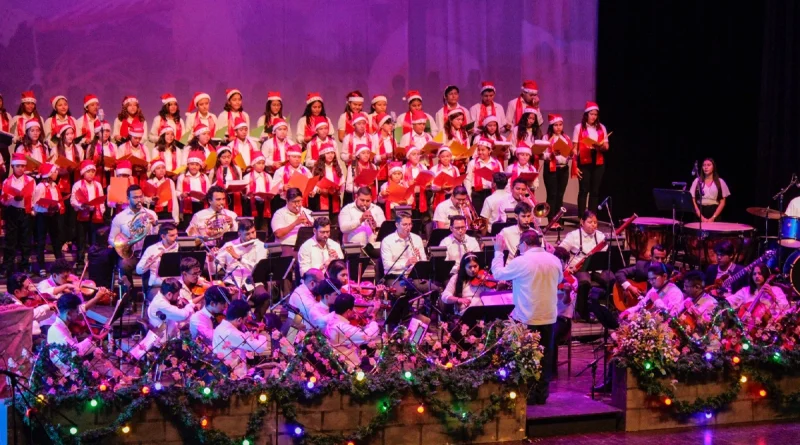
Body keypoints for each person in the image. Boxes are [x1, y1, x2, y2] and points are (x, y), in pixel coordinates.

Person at [492, 230, 562, 404]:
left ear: (524, 244)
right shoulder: (554, 260)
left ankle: (528, 394)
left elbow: (498, 274)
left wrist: (498, 252)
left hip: (527, 317)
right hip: (549, 316)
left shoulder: (522, 261)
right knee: (545, 357)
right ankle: (542, 395)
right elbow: (559, 280)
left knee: (526, 356)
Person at [558, 210, 614, 322]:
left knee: (611, 279)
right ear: (582, 222)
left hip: (597, 268)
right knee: (584, 282)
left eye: (595, 222)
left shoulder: (600, 236)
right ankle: (583, 312)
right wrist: (567, 267)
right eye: (590, 222)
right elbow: (560, 252)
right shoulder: (573, 236)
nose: (593, 225)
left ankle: (604, 308)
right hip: (580, 268)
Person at [215, 220, 270, 317]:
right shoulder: (229, 246)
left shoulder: (261, 246)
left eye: (253, 232)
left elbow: (258, 268)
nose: (252, 236)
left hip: (253, 282)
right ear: (239, 234)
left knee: (265, 298)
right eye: (248, 234)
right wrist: (211, 260)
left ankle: (256, 321)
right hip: (233, 283)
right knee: (235, 301)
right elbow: (214, 269)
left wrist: (239, 258)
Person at [212, 299, 271, 379]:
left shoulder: (219, 327)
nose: (245, 322)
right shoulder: (232, 333)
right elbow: (260, 347)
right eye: (245, 319)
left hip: (223, 373)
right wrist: (261, 333)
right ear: (239, 319)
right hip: (234, 377)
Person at [108, 184, 158, 279]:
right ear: (128, 199)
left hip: (148, 253)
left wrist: (155, 225)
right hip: (131, 255)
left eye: (140, 196)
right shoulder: (120, 217)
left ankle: (148, 287)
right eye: (135, 197)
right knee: (124, 264)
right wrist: (123, 244)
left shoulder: (151, 214)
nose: (139, 200)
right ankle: (127, 288)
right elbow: (111, 239)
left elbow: (157, 237)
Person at [323, 293, 380, 370]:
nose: (355, 311)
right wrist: (373, 319)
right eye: (353, 308)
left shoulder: (332, 319)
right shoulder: (342, 327)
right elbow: (369, 335)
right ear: (348, 311)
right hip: (351, 367)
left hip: (347, 362)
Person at [573, 101, 610, 218]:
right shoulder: (579, 127)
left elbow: (607, 146)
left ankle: (592, 217)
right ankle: (582, 217)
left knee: (595, 191)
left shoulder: (601, 127)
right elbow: (575, 149)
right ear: (586, 114)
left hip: (598, 161)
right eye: (591, 114)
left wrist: (601, 146)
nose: (594, 117)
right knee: (584, 190)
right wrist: (575, 166)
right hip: (584, 160)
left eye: (595, 114)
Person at [1, 154, 34, 275]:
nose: (20, 168)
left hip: (25, 212)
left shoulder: (30, 180)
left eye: (23, 166)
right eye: (18, 166)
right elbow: (3, 200)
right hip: (12, 212)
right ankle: (7, 266)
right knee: (11, 240)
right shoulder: (7, 181)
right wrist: (13, 198)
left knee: (25, 240)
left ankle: (24, 265)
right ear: (13, 167)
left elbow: (34, 197)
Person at [70, 160, 105, 267]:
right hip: (82, 214)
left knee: (94, 239)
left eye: (93, 171)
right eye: (88, 171)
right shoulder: (77, 185)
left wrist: (101, 211)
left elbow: (101, 200)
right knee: (81, 239)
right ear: (83, 173)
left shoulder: (98, 185)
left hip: (95, 214)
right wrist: (81, 206)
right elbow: (73, 200)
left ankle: (93, 261)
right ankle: (80, 261)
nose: (91, 174)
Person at [620, 264, 685, 318]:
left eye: (654, 278)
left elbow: (672, 316)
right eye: (650, 280)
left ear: (664, 276)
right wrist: (628, 311)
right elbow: (642, 304)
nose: (651, 282)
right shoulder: (654, 288)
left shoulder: (676, 293)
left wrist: (657, 300)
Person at [552, 247, 578, 377]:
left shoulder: (572, 280)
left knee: (550, 334)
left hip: (562, 319)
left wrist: (567, 292)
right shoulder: (548, 278)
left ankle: (550, 372)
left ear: (565, 262)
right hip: (546, 316)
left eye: (561, 261)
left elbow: (567, 302)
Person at [136, 222, 179, 299]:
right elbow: (138, 271)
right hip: (157, 286)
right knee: (161, 300)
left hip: (177, 285)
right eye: (172, 235)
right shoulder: (152, 249)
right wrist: (148, 263)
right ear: (163, 236)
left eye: (176, 234)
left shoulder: (179, 248)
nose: (176, 237)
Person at [542, 114, 573, 223]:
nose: (558, 127)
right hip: (551, 169)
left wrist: (571, 154)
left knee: (560, 195)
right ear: (551, 126)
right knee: (552, 194)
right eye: (556, 125)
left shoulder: (566, 138)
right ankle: (551, 220)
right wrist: (551, 154)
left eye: (560, 125)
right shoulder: (546, 138)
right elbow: (542, 155)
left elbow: (570, 152)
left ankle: (558, 219)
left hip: (563, 168)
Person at [338, 186, 385, 255]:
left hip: (373, 248)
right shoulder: (347, 209)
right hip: (353, 248)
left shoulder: (377, 209)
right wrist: (360, 220)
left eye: (368, 201)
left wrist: (376, 224)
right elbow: (343, 228)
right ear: (356, 197)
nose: (365, 203)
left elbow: (383, 228)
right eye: (362, 200)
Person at [380, 211, 427, 278]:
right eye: (405, 224)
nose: (408, 228)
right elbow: (387, 265)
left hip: (414, 276)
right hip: (395, 276)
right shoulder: (387, 241)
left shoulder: (417, 239)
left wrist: (419, 258)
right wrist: (405, 264)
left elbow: (424, 261)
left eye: (410, 224)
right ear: (397, 225)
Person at [464, 137, 502, 214]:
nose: (480, 152)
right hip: (477, 193)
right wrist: (469, 194)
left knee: (491, 214)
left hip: (491, 192)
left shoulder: (496, 163)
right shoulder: (472, 163)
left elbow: (502, 178)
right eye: (479, 150)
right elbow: (468, 179)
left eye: (483, 150)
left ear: (489, 151)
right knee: (479, 214)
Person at [271, 187, 314, 253]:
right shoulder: (279, 213)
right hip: (286, 247)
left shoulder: (308, 212)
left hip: (306, 247)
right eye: (294, 202)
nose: (297, 205)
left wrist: (311, 226)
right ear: (287, 201)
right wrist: (295, 223)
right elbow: (278, 234)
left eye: (299, 201)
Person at [176, 149, 211, 228]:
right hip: (188, 206)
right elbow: (177, 191)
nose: (194, 167)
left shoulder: (204, 177)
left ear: (200, 166)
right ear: (188, 165)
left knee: (201, 225)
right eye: (192, 164)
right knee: (189, 226)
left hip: (201, 205)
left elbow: (209, 190)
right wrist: (181, 194)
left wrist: (205, 196)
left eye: (197, 165)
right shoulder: (182, 177)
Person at [309, 142, 344, 214]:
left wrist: (338, 190)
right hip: (321, 198)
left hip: (334, 198)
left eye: (332, 153)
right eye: (327, 153)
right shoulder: (317, 167)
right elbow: (313, 184)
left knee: (334, 218)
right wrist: (320, 191)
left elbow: (342, 181)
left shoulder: (337, 166)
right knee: (323, 218)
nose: (330, 155)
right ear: (323, 155)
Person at [243, 149, 273, 232]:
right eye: (259, 163)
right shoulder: (247, 177)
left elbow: (272, 189)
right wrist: (248, 194)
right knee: (254, 224)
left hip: (265, 203)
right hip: (252, 204)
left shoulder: (268, 177)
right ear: (253, 164)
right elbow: (245, 191)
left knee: (264, 224)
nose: (261, 166)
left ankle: (264, 236)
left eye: (263, 163)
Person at [146, 157, 180, 223]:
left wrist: (176, 217)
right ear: (153, 172)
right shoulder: (150, 182)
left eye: (163, 168)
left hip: (166, 211)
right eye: (158, 168)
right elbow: (145, 199)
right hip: (154, 210)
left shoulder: (169, 181)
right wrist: (151, 199)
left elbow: (174, 199)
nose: (161, 170)